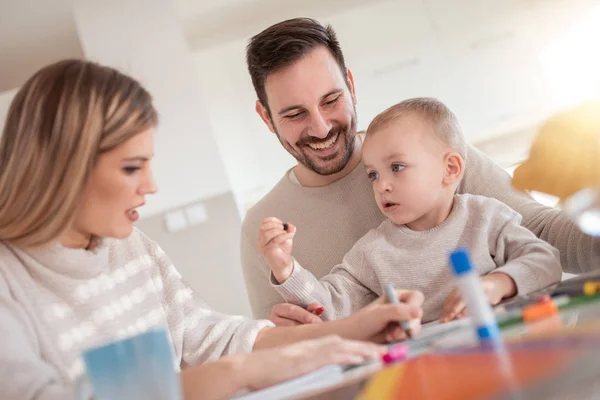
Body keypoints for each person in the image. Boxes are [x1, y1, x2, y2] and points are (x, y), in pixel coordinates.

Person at [0, 59, 425, 400]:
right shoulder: (9, 277)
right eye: (132, 168)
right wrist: (240, 371)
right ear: (63, 169)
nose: (150, 187)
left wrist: (353, 327)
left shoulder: (133, 248)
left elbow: (214, 336)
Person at [240, 17, 599, 324]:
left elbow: (543, 237)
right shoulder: (266, 231)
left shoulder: (432, 154)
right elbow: (280, 340)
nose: (320, 128)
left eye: (331, 100)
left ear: (350, 86)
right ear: (266, 117)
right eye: (294, 114)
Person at [258, 97, 563, 324]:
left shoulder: (487, 218)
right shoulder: (372, 252)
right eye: (373, 174)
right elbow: (327, 307)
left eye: (397, 167)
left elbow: (545, 261)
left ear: (450, 168)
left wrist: (499, 283)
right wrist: (286, 270)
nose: (382, 186)